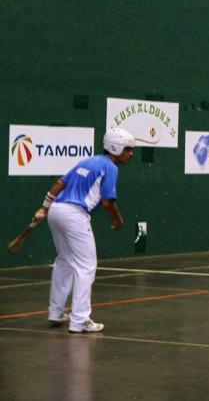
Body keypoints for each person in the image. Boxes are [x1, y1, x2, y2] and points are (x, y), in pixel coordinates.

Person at [32, 128, 135, 333]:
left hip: (56, 211)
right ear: (115, 148)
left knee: (64, 261)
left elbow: (60, 182)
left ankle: (56, 312)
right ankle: (80, 319)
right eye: (128, 149)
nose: (131, 154)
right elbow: (107, 202)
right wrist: (118, 219)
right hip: (74, 215)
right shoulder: (110, 167)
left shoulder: (87, 161)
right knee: (86, 266)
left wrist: (44, 207)